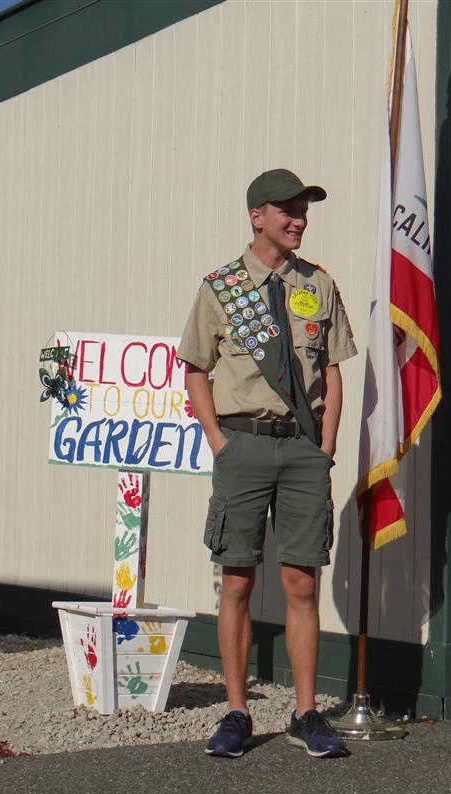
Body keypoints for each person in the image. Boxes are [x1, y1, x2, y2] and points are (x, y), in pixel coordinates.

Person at [177, 169, 357, 758]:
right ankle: (236, 712)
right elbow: (195, 369)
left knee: (302, 582)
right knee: (237, 580)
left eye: (303, 210)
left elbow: (332, 369)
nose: (298, 220)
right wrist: (219, 442)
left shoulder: (319, 285)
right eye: (287, 210)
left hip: (303, 449)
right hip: (244, 445)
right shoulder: (221, 288)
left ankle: (306, 714)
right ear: (257, 216)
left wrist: (326, 447)